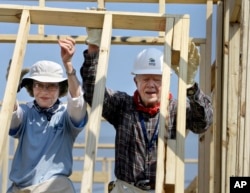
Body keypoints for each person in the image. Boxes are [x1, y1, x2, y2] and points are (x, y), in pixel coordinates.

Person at [80, 29, 213, 193]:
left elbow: (203, 123)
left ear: (166, 81)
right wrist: (94, 49)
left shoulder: (176, 109)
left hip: (163, 189)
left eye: (157, 79)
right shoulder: (123, 106)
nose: (151, 85)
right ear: (136, 81)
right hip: (126, 188)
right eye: (145, 79)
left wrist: (190, 86)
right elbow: (94, 93)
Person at [6, 37, 88, 193]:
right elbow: (12, 116)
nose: (44, 91)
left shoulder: (65, 115)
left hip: (55, 188)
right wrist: (11, 84)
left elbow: (77, 101)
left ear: (60, 89)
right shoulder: (26, 112)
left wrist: (68, 66)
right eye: (38, 85)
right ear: (31, 88)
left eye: (51, 86)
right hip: (22, 189)